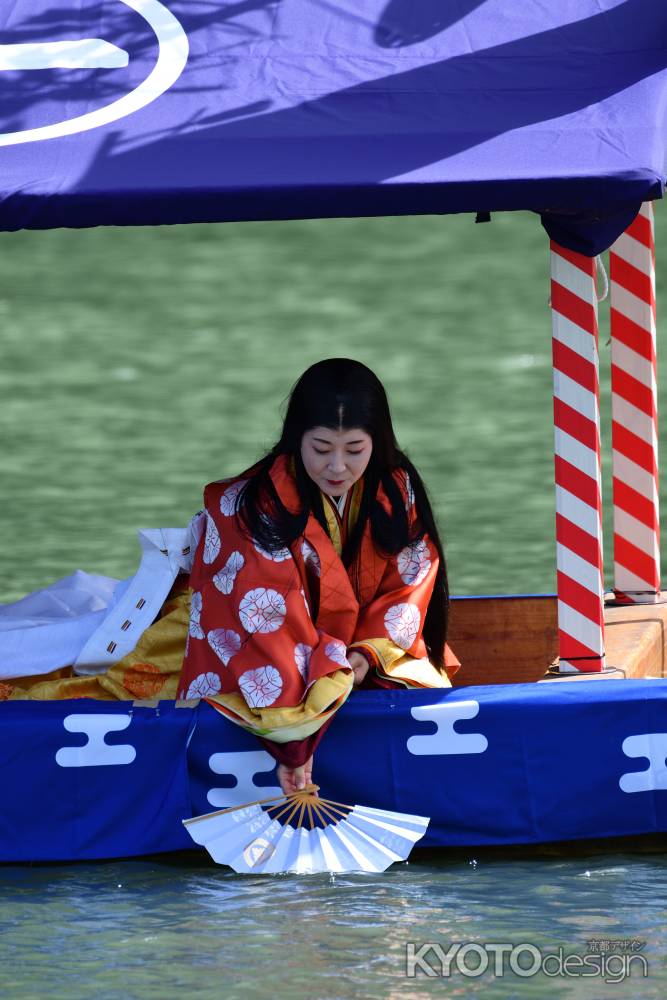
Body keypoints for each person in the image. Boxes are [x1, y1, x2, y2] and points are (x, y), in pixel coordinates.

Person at [178, 358, 460, 795]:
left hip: (364, 655)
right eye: (322, 448)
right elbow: (267, 618)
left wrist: (366, 655)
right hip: (266, 654)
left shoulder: (393, 487)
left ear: (376, 442)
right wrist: (295, 744)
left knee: (425, 682)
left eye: (355, 450)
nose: (337, 467)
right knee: (280, 704)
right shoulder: (251, 506)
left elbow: (411, 582)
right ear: (297, 440)